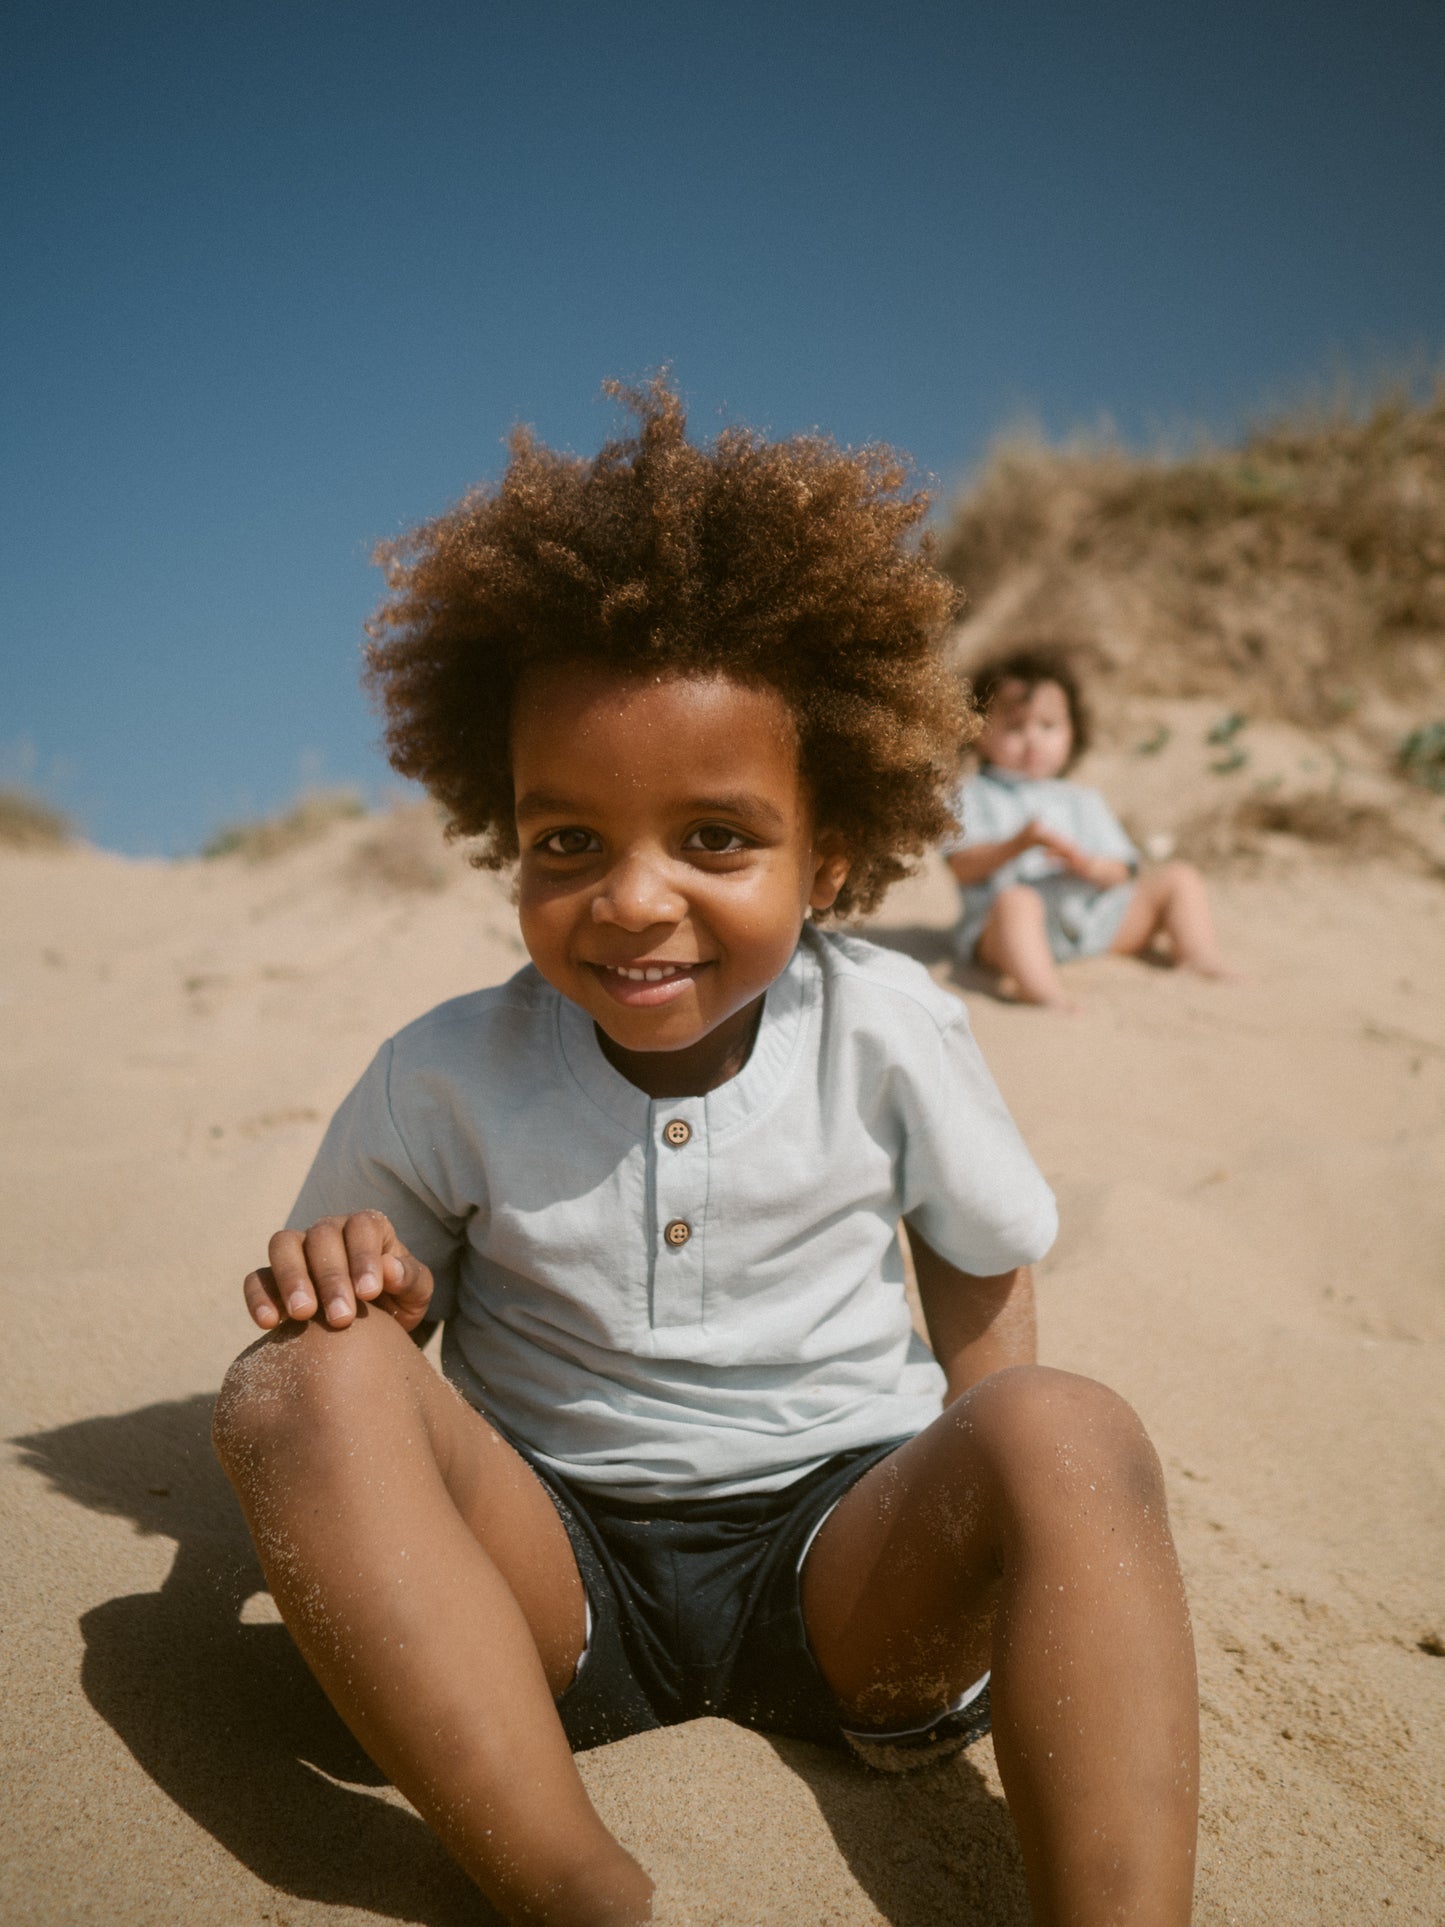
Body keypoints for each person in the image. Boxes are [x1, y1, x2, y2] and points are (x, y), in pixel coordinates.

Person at [213, 382, 1199, 1926]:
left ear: (840, 849)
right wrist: (360, 1290)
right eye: (568, 840)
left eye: (718, 838)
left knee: (1068, 1430)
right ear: (506, 829)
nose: (632, 896)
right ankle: (562, 1871)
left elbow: (982, 1257)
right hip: (555, 1587)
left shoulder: (890, 1026)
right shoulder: (446, 1071)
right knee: (295, 1382)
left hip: (845, 1560)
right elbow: (363, 1325)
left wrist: (997, 1498)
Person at [946, 646, 1233, 1009]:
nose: (1034, 739)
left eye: (1048, 726)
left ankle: (1200, 956)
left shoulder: (1082, 799)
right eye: (1015, 727)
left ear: (1071, 732)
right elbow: (963, 867)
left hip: (1092, 923)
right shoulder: (973, 794)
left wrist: (1089, 866)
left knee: (1179, 878)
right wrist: (1015, 845)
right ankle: (1043, 992)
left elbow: (1123, 870)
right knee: (1016, 902)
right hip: (1005, 934)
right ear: (978, 732)